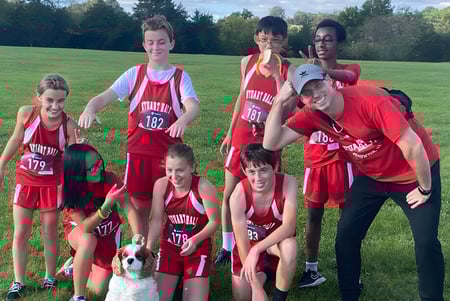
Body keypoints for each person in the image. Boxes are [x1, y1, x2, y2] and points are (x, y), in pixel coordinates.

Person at [263, 64, 444, 301]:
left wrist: (425, 188)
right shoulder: (314, 114)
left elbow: (413, 146)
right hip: (372, 177)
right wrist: (278, 101)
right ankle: (349, 295)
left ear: (330, 80)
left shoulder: (369, 101)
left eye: (318, 84)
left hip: (414, 173)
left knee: (425, 241)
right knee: (346, 236)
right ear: (302, 99)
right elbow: (271, 143)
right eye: (307, 92)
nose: (316, 94)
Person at [78, 15, 200, 247]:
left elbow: (193, 106)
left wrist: (184, 118)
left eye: (162, 41)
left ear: (171, 43)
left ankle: (164, 254)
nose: (156, 47)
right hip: (139, 156)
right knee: (141, 209)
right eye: (151, 42)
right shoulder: (134, 74)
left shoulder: (180, 77)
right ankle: (142, 251)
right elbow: (104, 97)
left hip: (168, 158)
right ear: (144, 45)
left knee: (168, 208)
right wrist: (89, 108)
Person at [215, 16, 297, 265]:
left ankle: (267, 244)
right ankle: (227, 246)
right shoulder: (247, 62)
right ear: (256, 39)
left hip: (267, 142)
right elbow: (242, 97)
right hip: (241, 136)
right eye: (264, 38)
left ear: (284, 41)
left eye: (275, 39)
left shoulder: (289, 70)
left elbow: (291, 107)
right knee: (230, 194)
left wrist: (276, 77)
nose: (269, 43)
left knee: (265, 195)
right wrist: (230, 131)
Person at [0, 74, 77, 300]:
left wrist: (66, 187)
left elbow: (72, 161)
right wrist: (2, 163)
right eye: (49, 100)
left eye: (60, 101)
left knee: (49, 233)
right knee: (21, 232)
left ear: (66, 99)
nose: (55, 106)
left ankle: (50, 277)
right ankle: (18, 282)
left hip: (51, 186)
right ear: (39, 98)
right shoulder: (27, 114)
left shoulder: (69, 125)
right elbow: (15, 139)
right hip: (26, 183)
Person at [296, 19, 361, 288]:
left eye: (329, 39)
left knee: (349, 219)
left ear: (339, 43)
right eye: (319, 38)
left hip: (343, 158)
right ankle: (311, 270)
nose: (322, 43)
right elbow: (295, 107)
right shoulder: (306, 74)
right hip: (315, 156)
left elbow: (349, 79)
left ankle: (351, 271)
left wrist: (322, 70)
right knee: (313, 215)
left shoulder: (349, 70)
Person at [62, 143, 142, 301]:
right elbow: (86, 227)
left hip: (107, 236)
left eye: (99, 161)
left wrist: (138, 238)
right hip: (83, 233)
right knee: (88, 240)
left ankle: (75, 265)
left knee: (99, 289)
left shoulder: (109, 179)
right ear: (77, 173)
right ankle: (78, 297)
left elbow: (130, 208)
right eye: (92, 167)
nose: (98, 168)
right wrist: (106, 205)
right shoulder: (70, 190)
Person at [148, 143, 220, 301]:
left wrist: (195, 240)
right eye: (169, 170)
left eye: (180, 170)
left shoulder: (203, 187)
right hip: (169, 250)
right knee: (156, 298)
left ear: (192, 167)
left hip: (197, 251)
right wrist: (148, 251)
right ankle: (179, 280)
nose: (174, 176)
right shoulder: (161, 185)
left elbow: (215, 221)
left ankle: (188, 281)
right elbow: (156, 220)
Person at [230, 144, 297, 301]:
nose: (258, 178)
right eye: (251, 172)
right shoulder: (238, 196)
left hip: (274, 244)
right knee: (242, 297)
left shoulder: (288, 183)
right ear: (244, 171)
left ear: (275, 167)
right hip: (248, 246)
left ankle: (278, 297)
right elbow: (242, 244)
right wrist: (255, 286)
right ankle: (263, 275)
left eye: (263, 170)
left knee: (290, 247)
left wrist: (258, 249)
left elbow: (289, 227)